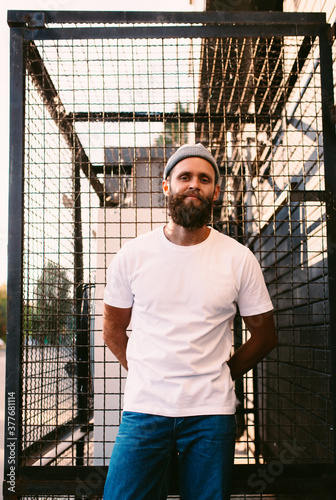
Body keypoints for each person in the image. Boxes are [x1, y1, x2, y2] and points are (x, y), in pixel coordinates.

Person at [102, 143, 277, 500]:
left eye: (204, 178)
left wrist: (224, 374)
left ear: (216, 191)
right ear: (167, 186)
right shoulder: (132, 256)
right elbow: (112, 329)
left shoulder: (239, 259)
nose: (194, 184)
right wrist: (140, 370)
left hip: (210, 416)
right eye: (185, 177)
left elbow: (265, 334)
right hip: (144, 410)